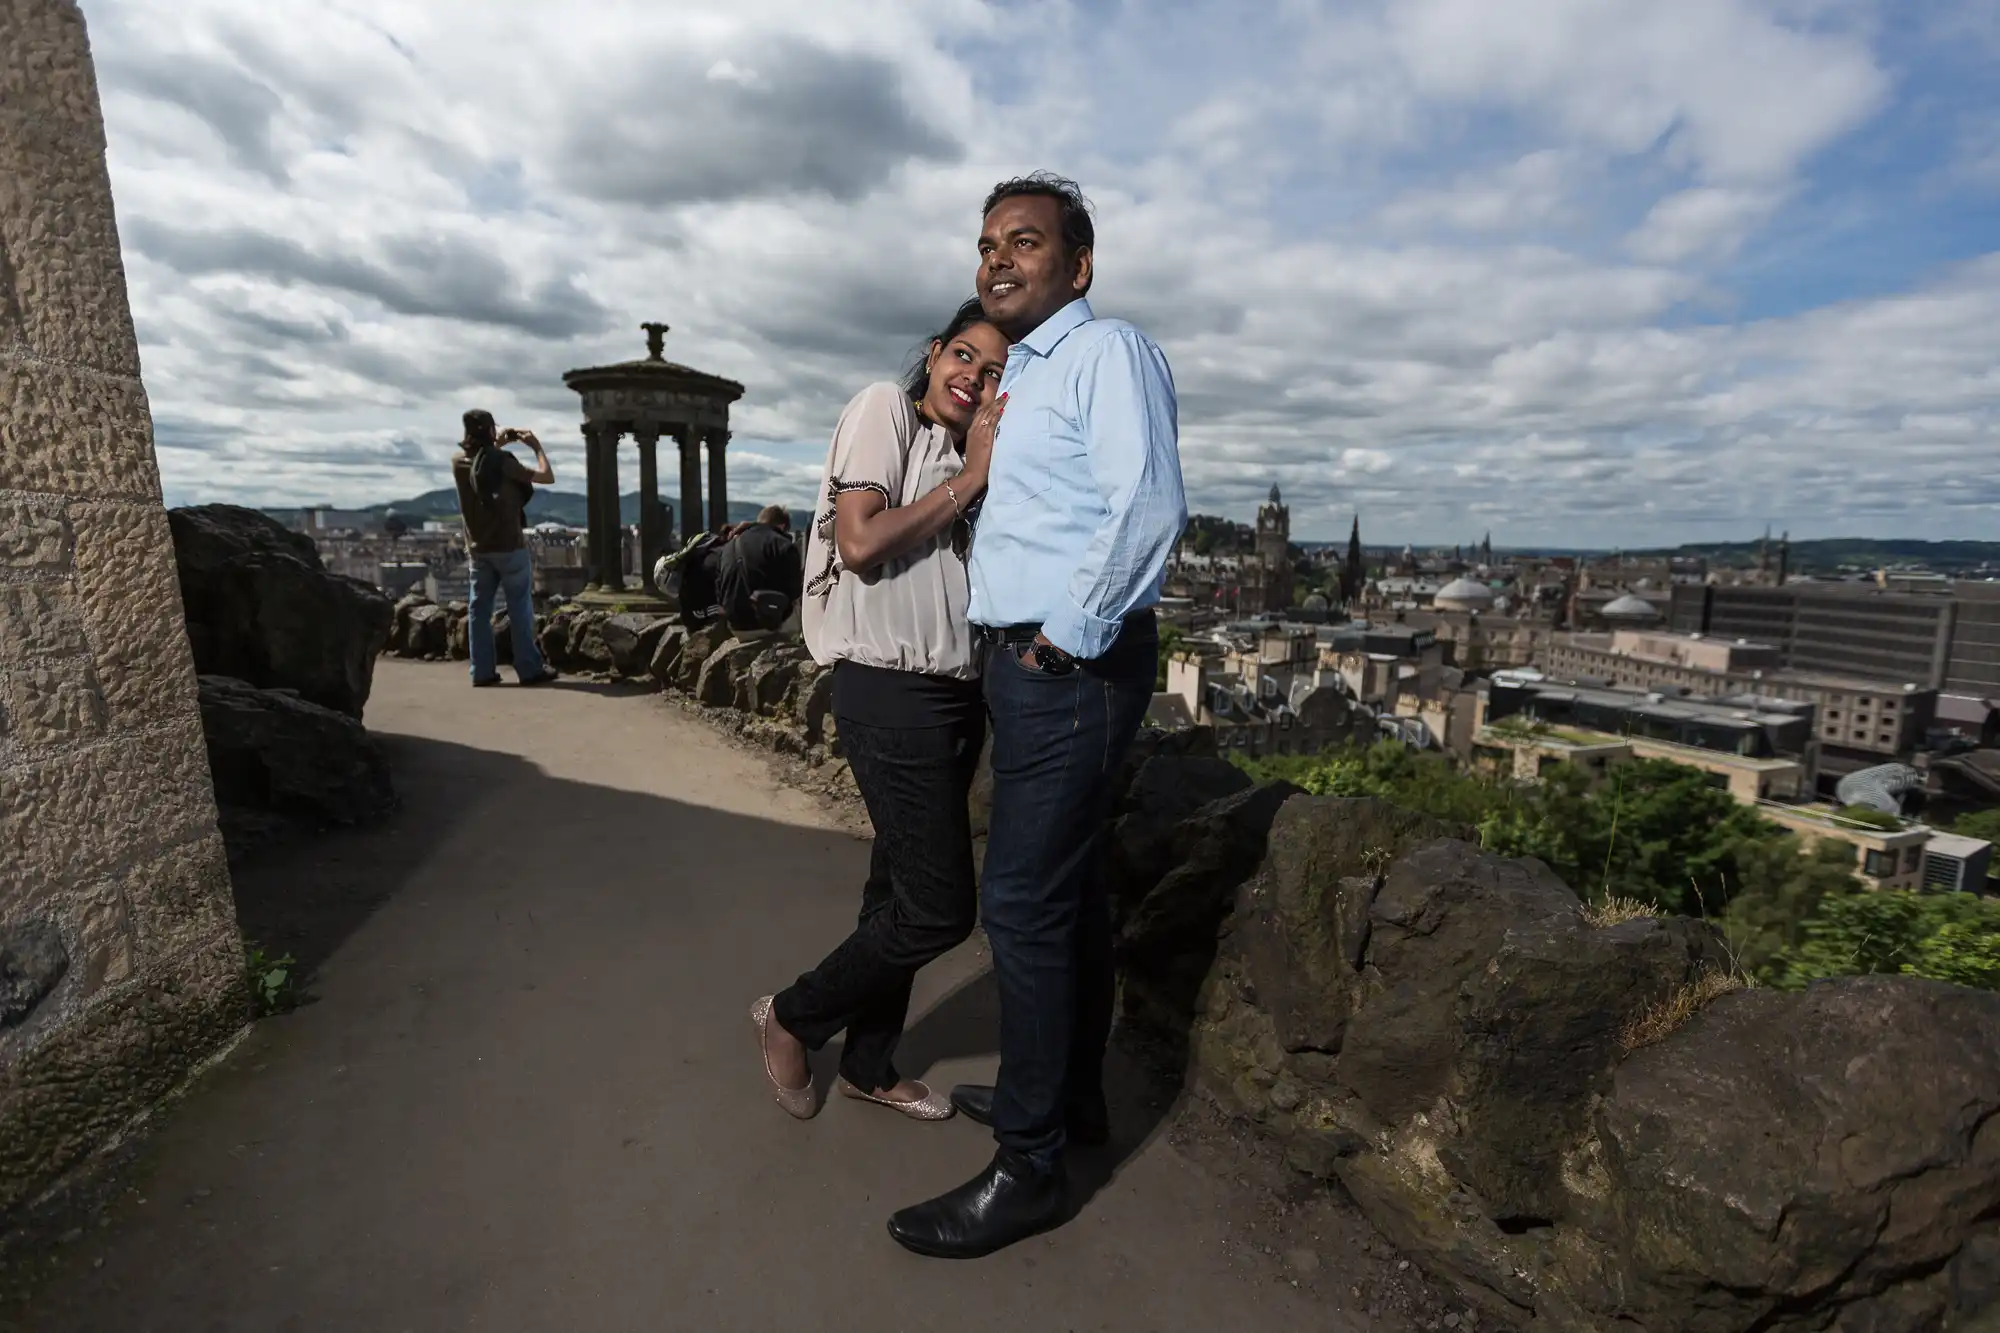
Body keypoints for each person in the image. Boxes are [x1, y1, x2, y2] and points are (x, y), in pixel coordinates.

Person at [887, 175, 1186, 1258]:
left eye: (1023, 241)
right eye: (984, 245)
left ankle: (1029, 1165)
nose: (995, 260)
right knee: (1063, 900)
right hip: (1030, 665)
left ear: (1077, 264)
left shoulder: (1107, 354)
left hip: (1066, 665)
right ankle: (1069, 1103)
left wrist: (1064, 632)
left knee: (1018, 906)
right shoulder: (1031, 371)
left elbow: (1147, 504)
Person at [750, 298, 1011, 1122]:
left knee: (894, 894)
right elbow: (860, 544)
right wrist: (971, 480)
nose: (975, 375)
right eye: (965, 355)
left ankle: (868, 1060)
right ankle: (793, 1014)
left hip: (955, 697)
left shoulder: (969, 452)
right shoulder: (883, 411)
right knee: (939, 909)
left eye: (996, 371)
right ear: (934, 354)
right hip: (890, 692)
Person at [451, 409, 560, 687]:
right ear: (490, 430)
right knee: (519, 608)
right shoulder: (504, 463)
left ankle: (481, 671)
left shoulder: (458, 462)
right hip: (509, 544)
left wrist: (495, 443)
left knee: (479, 609)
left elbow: (480, 461)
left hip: (477, 547)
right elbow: (546, 476)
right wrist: (535, 446)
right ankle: (528, 668)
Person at [715, 505, 805, 631]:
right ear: (782, 526)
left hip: (735, 626)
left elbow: (719, 590)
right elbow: (794, 591)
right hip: (769, 625)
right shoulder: (783, 545)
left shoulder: (729, 546)